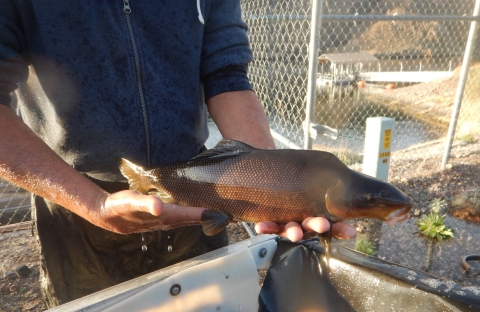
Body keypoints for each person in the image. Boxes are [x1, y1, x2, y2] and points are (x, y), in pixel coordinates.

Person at [0, 0, 356, 308]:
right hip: (75, 201)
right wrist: (93, 205)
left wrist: (275, 187)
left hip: (199, 191)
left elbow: (226, 75)